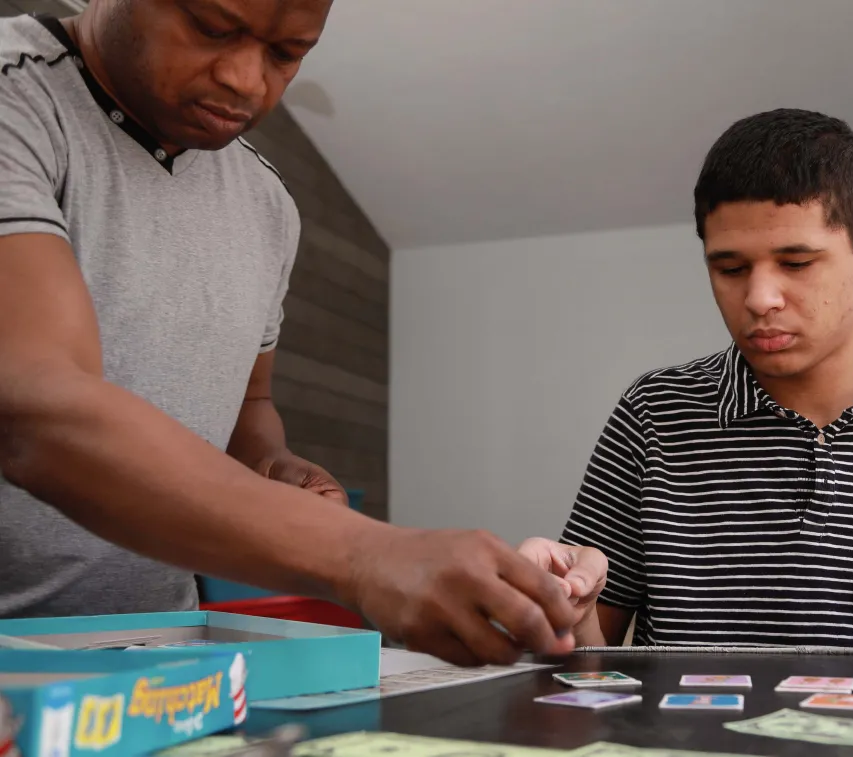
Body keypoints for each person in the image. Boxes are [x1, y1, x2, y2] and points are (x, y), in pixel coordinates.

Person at [0, 0, 602, 667]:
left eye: (287, 53)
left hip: (160, 657)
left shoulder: (267, 205)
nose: (247, 81)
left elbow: (248, 410)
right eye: (212, 27)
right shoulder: (16, 95)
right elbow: (36, 409)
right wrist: (362, 550)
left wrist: (274, 465)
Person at [557, 109, 853, 663]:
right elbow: (589, 666)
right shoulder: (653, 415)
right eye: (731, 269)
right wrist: (569, 617)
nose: (760, 298)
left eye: (796, 262)